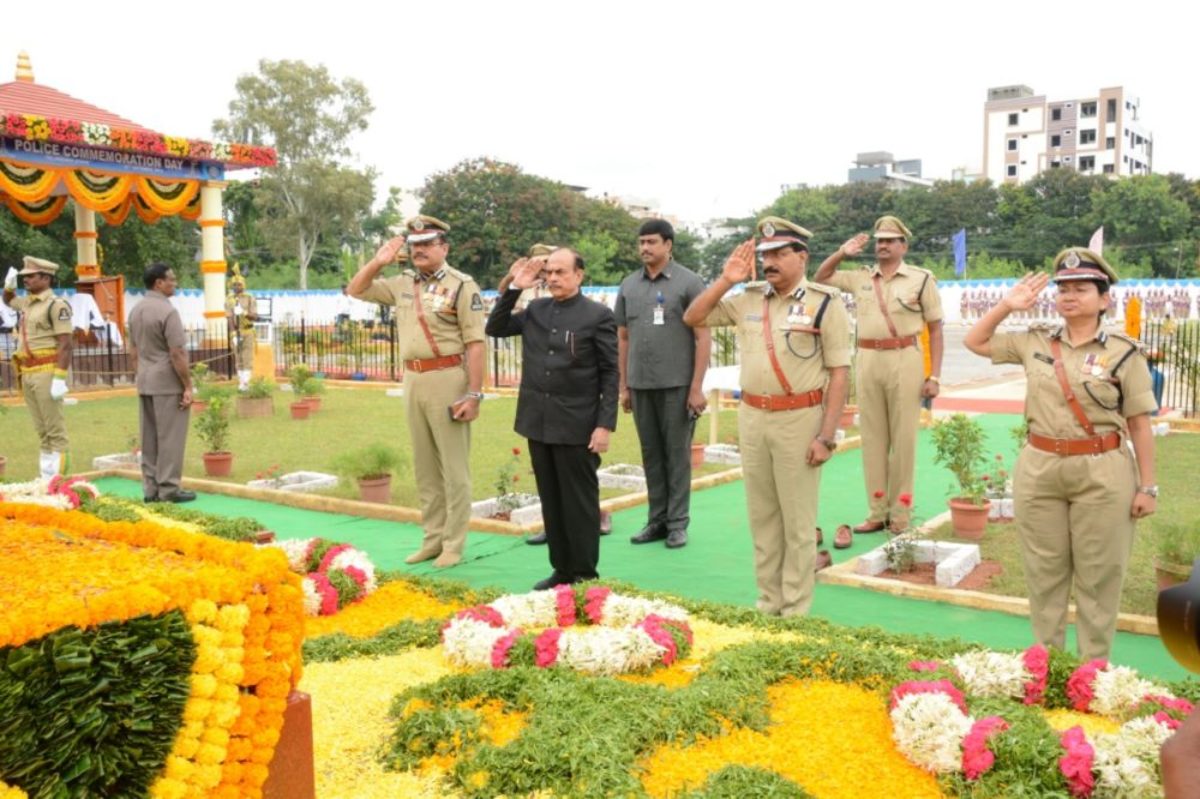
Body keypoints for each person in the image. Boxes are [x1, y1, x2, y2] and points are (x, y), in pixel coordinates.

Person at [964, 248, 1157, 660]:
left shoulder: (1123, 352)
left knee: (1099, 575)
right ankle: (1045, 665)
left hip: (1103, 471)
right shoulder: (1035, 340)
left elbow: (1139, 423)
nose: (1068, 296)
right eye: (1063, 288)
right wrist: (1006, 305)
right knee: (1044, 571)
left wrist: (1148, 486)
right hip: (1040, 467)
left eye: (1081, 289)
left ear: (1105, 299)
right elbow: (975, 341)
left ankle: (1092, 671)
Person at [683, 217, 850, 616]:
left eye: (779, 253)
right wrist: (726, 280)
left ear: (801, 256)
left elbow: (840, 372)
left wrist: (826, 436)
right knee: (763, 518)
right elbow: (693, 317)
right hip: (753, 416)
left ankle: (794, 611)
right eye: (765, 255)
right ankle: (768, 604)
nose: (770, 261)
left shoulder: (824, 302)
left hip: (800, 418)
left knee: (797, 521)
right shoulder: (748, 298)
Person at [348, 215, 486, 568]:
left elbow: (475, 343)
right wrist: (378, 261)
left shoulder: (462, 284)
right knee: (425, 467)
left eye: (427, 244)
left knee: (454, 468)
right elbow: (356, 289)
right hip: (413, 379)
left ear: (444, 247)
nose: (420, 250)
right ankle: (432, 539)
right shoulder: (402, 283)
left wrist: (474, 394)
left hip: (447, 378)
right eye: (414, 245)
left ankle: (454, 544)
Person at [486, 248, 618, 589]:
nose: (554, 278)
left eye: (562, 272)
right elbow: (495, 327)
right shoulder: (536, 309)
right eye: (550, 273)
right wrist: (516, 287)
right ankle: (561, 569)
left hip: (577, 424)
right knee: (552, 499)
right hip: (538, 420)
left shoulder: (598, 315)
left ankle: (585, 574)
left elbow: (610, 373)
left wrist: (604, 424)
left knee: (580, 503)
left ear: (579, 275)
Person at [813, 215, 944, 534]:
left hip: (905, 358)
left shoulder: (921, 279)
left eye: (889, 240)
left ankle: (900, 515)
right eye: (879, 240)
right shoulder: (860, 277)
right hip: (869, 358)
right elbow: (822, 276)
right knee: (872, 439)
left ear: (903, 245)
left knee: (903, 440)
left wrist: (934, 376)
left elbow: (936, 329)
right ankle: (877, 511)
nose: (882, 245)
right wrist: (842, 252)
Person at [614, 219, 711, 549]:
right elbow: (623, 337)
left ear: (668, 245)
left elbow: (702, 336)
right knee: (651, 454)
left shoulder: (689, 282)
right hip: (641, 385)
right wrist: (624, 386)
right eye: (641, 242)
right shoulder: (628, 285)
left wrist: (696, 387)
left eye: (652, 242)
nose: (645, 248)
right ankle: (656, 520)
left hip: (678, 385)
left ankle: (677, 523)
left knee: (677, 454)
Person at [127, 263, 196, 503]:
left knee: (149, 438)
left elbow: (133, 351)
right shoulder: (168, 311)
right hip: (167, 382)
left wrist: (141, 374)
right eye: (171, 279)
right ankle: (168, 489)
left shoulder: (135, 310)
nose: (174, 283)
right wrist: (187, 385)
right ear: (159, 282)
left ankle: (150, 489)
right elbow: (177, 353)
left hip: (145, 380)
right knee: (170, 437)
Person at [3, 256, 72, 478]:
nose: (26, 280)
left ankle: (58, 482)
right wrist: (8, 285)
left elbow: (66, 344)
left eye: (30, 276)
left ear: (46, 278)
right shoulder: (28, 302)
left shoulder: (56, 305)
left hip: (46, 371)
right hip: (28, 372)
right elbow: (8, 300)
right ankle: (46, 478)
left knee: (55, 431)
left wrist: (60, 378)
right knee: (42, 431)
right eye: (24, 277)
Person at [225, 265, 258, 391]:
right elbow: (229, 317)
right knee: (238, 358)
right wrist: (233, 333)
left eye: (239, 284)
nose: (237, 287)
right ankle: (241, 382)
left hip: (248, 331)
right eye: (235, 285)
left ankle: (247, 383)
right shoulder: (229, 299)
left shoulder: (250, 297)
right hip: (236, 331)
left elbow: (255, 316)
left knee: (247, 357)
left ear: (243, 285)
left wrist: (244, 312)